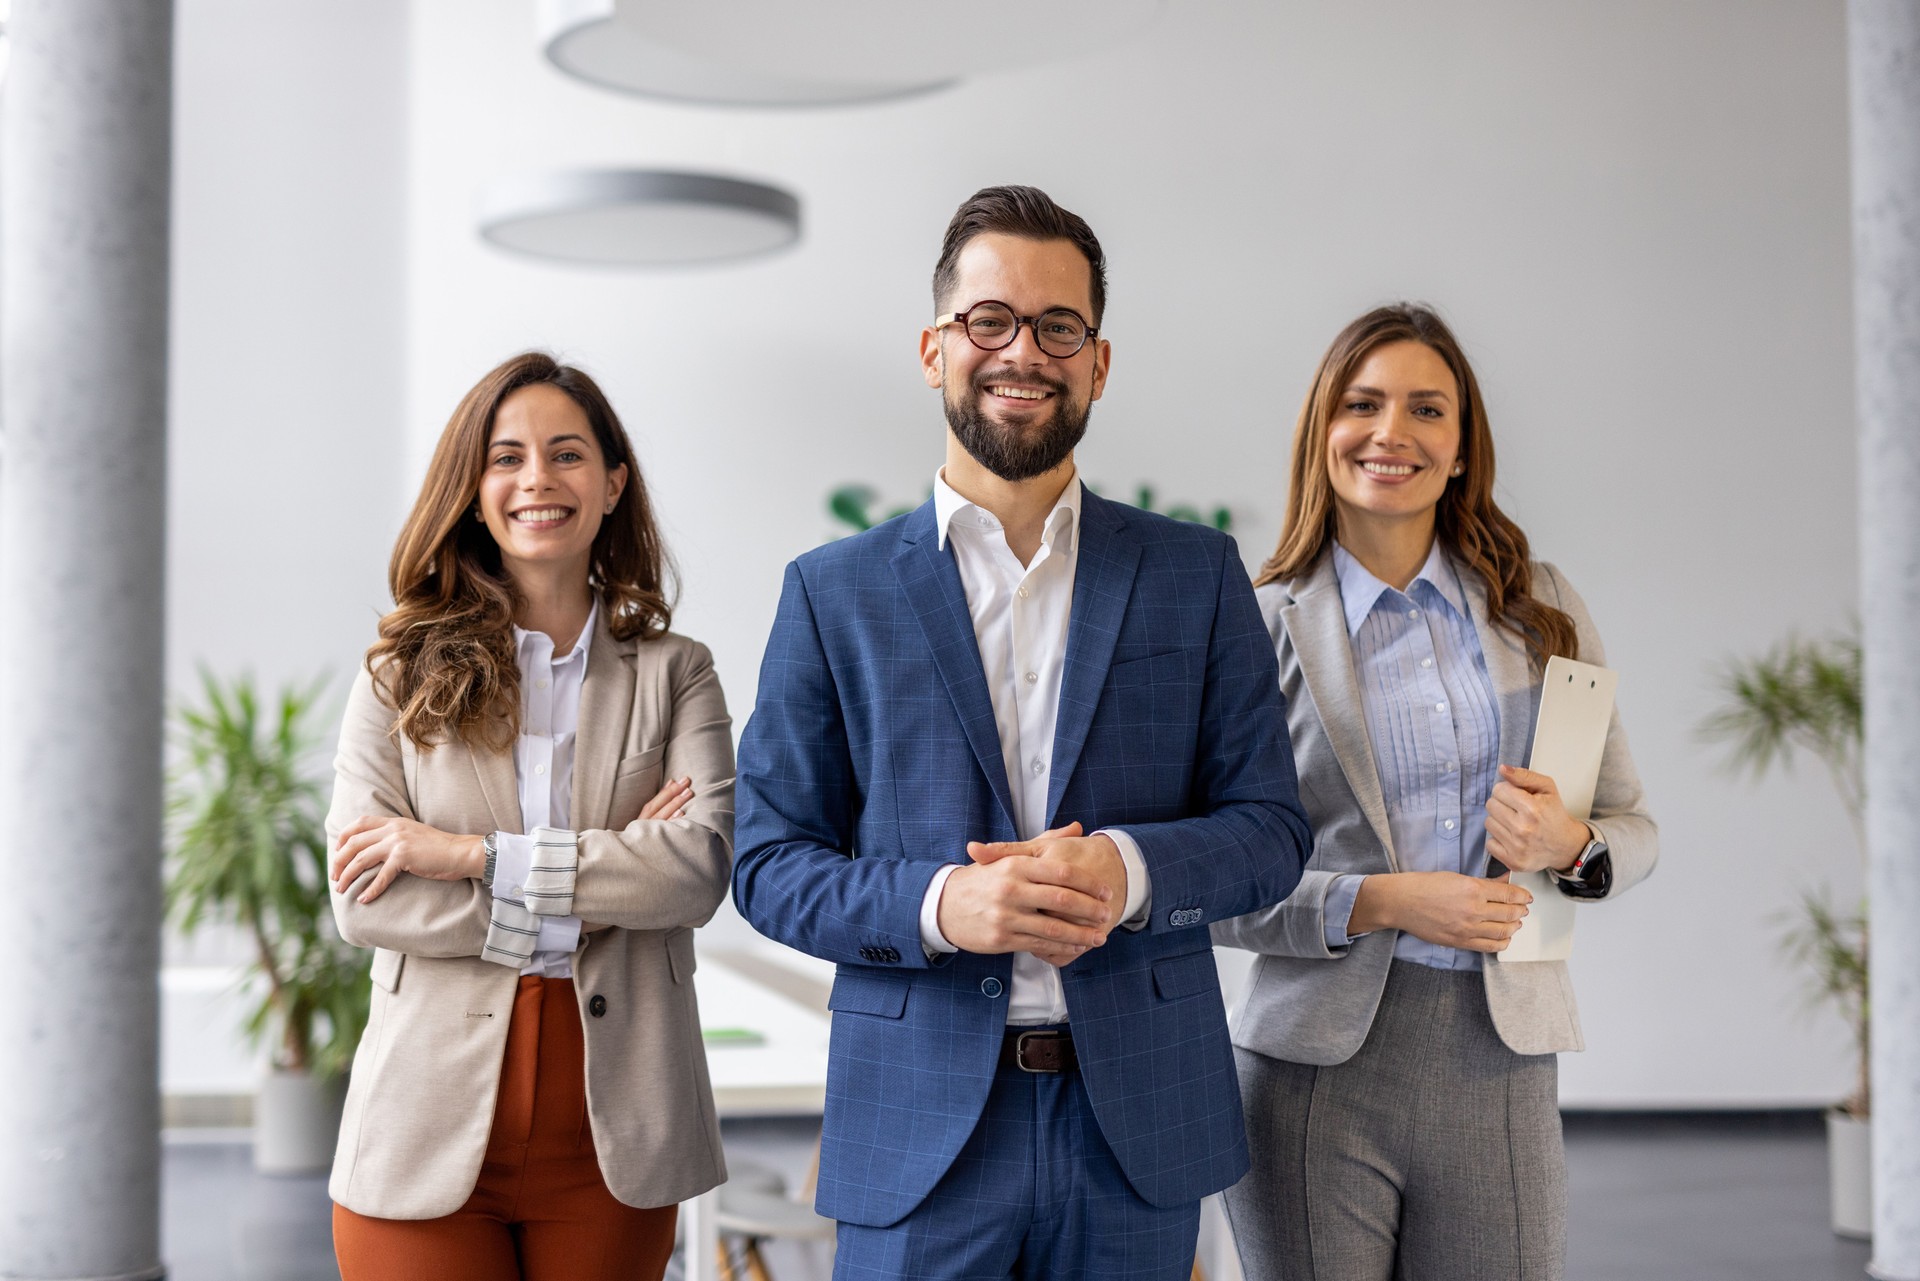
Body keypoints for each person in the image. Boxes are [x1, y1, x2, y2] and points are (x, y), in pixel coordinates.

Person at [731, 184, 1312, 1281]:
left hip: (1132, 1125)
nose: (1023, 353)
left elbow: (1272, 831)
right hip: (918, 1133)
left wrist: (1128, 870)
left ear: (1097, 362)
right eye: (989, 320)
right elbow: (767, 865)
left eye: (1059, 327)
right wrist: (944, 903)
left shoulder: (1193, 574)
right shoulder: (831, 593)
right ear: (933, 347)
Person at [1212, 304, 1659, 1280]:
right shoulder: (1255, 629)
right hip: (1311, 1076)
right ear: (1322, 431)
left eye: (1427, 409)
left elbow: (1633, 825)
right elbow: (1205, 881)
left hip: (1501, 1065)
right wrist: (1382, 900)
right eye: (1363, 404)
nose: (1392, 433)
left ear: (1461, 448)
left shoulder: (1540, 609)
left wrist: (1569, 844)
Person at [323, 352, 734, 1281]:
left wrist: (466, 853)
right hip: (421, 1122)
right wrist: (606, 881)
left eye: (567, 454)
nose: (537, 480)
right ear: (473, 490)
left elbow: (696, 871)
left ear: (613, 483)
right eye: (506, 457)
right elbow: (367, 902)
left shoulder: (678, 671)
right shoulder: (395, 675)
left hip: (615, 1129)